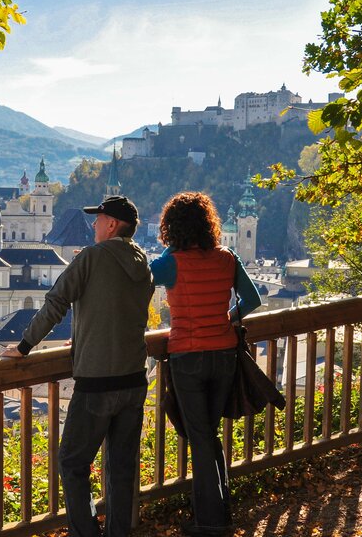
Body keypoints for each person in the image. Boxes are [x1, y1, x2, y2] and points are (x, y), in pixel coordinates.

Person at [1, 195, 154, 537]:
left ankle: (86, 532)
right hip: (133, 378)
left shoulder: (91, 258)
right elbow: (120, 313)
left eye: (98, 218)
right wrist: (85, 336)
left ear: (112, 224)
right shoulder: (142, 261)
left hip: (97, 380)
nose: (93, 224)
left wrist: (25, 346)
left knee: (72, 462)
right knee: (120, 467)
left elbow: (56, 302)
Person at [150, 191, 262, 536]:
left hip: (187, 355)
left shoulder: (170, 262)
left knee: (199, 437)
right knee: (207, 434)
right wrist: (226, 318)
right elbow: (253, 299)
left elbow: (142, 277)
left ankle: (211, 523)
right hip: (224, 354)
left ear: (171, 227)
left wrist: (171, 246)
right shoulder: (227, 258)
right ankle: (220, 508)